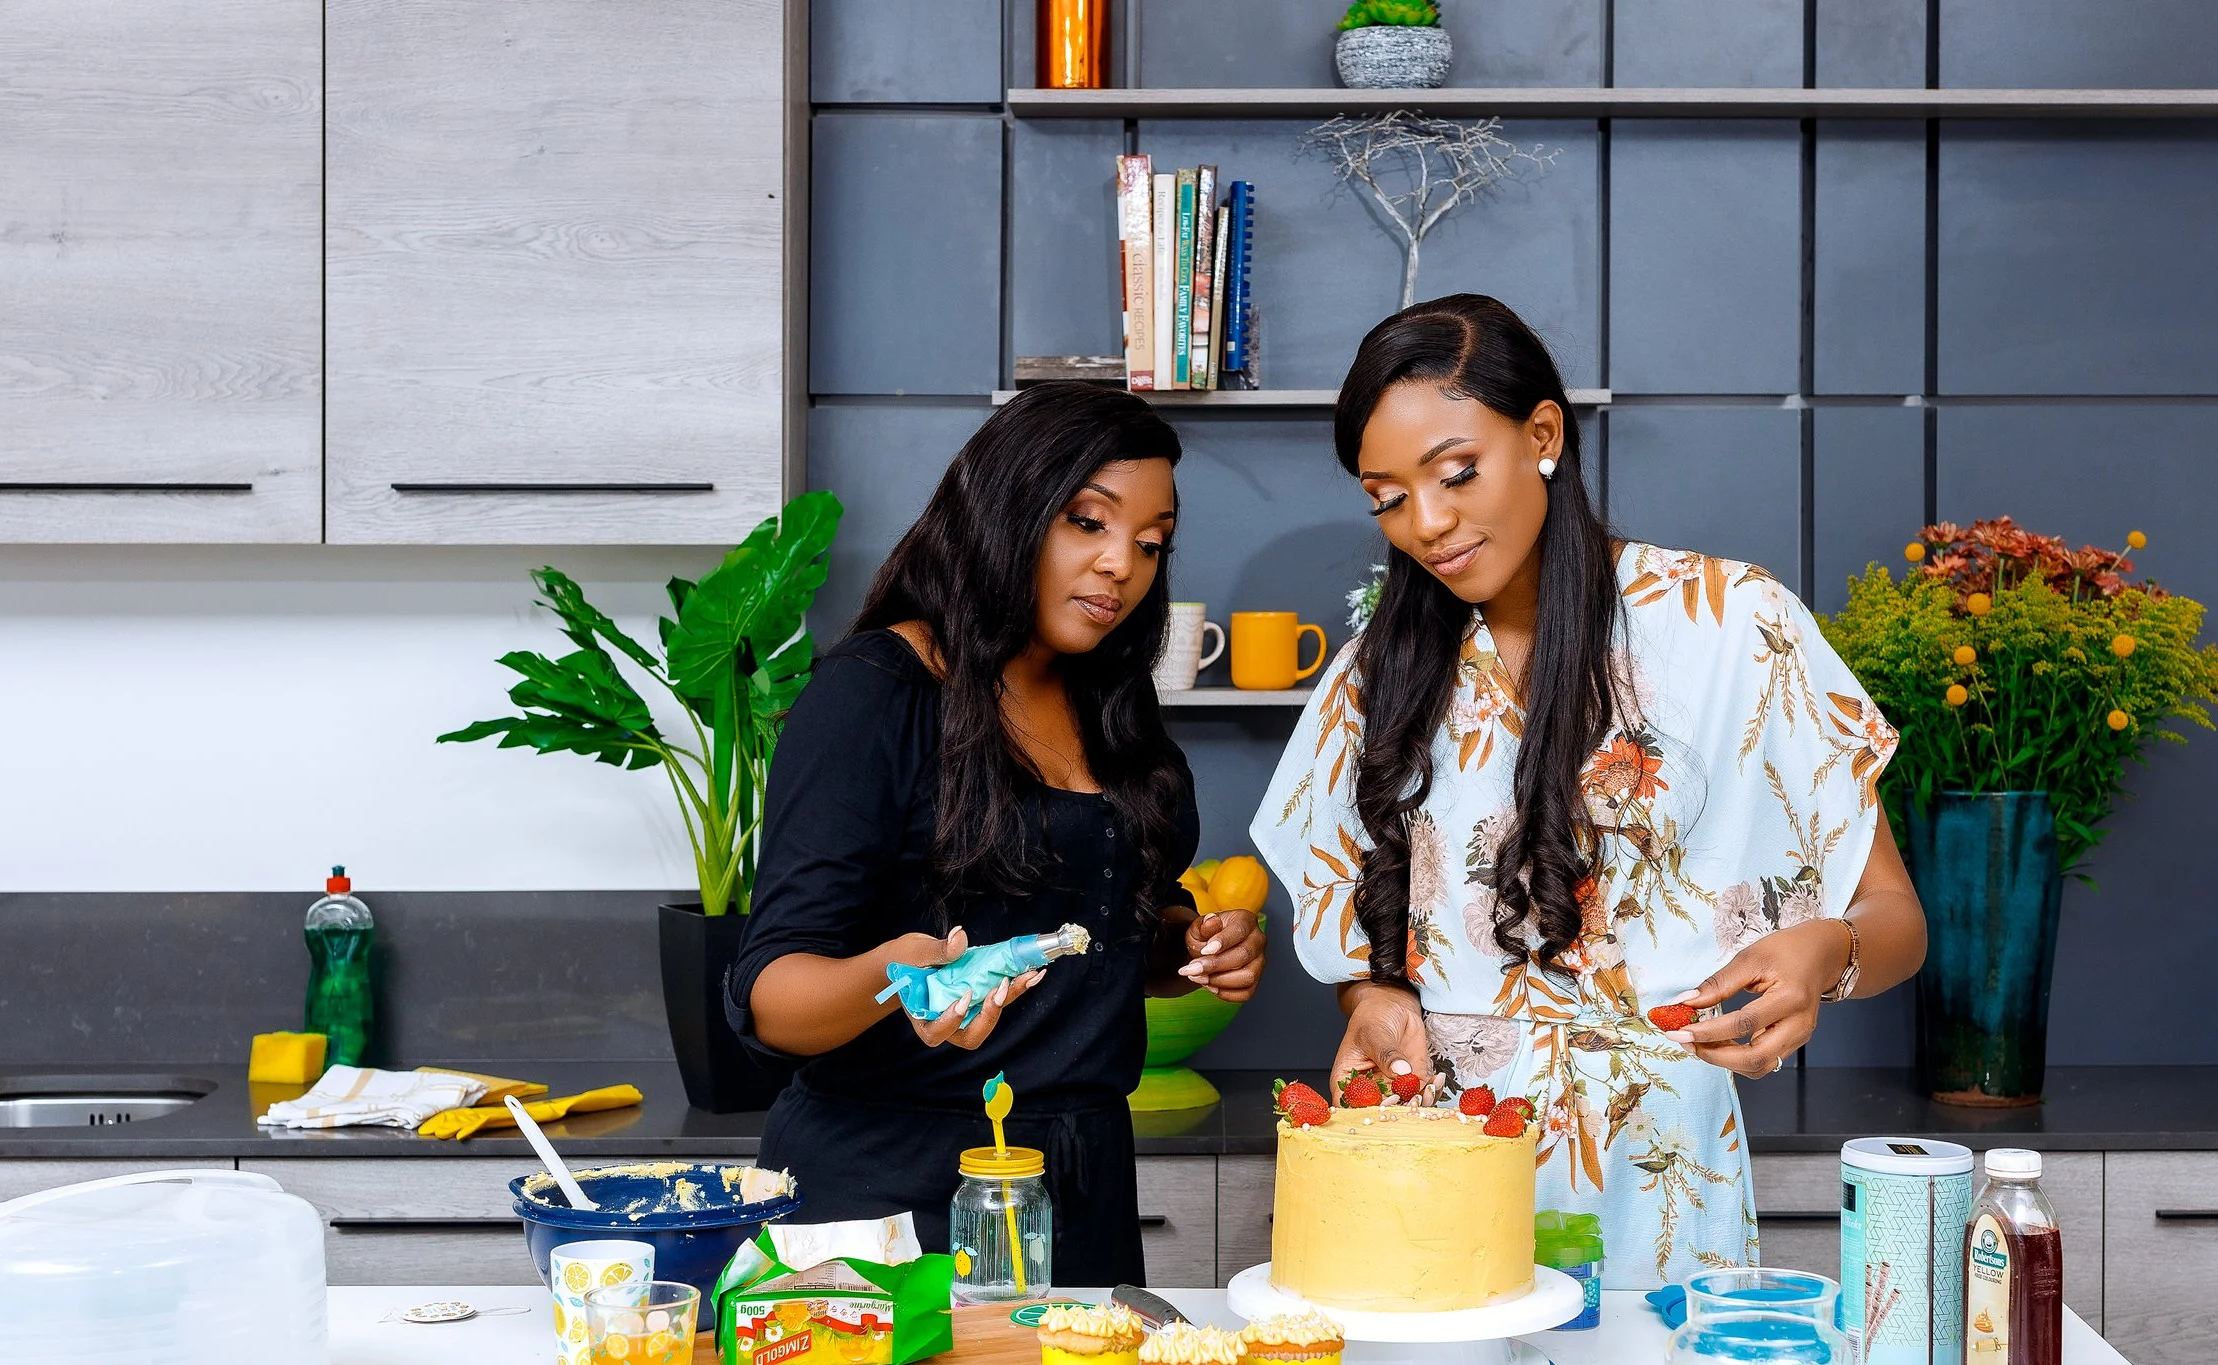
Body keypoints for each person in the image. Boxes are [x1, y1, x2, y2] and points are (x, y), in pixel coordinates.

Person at [1250, 295, 1925, 1287]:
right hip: (1440, 1156)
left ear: (1542, 434)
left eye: (1454, 473)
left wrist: (1822, 950)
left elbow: (1891, 917)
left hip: (1664, 1172)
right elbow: (1365, 931)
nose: (1426, 524)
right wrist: (1374, 993)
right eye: (1387, 497)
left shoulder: (1733, 622)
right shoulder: (1374, 674)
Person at [726, 382, 1268, 1285]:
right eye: (1086, 523)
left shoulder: (1113, 706)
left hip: (1079, 1188)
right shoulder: (873, 696)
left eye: (1149, 543)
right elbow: (771, 997)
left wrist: (1191, 947)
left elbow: (1104, 928)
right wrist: (899, 978)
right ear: (1007, 508)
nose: (1119, 567)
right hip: (888, 1200)